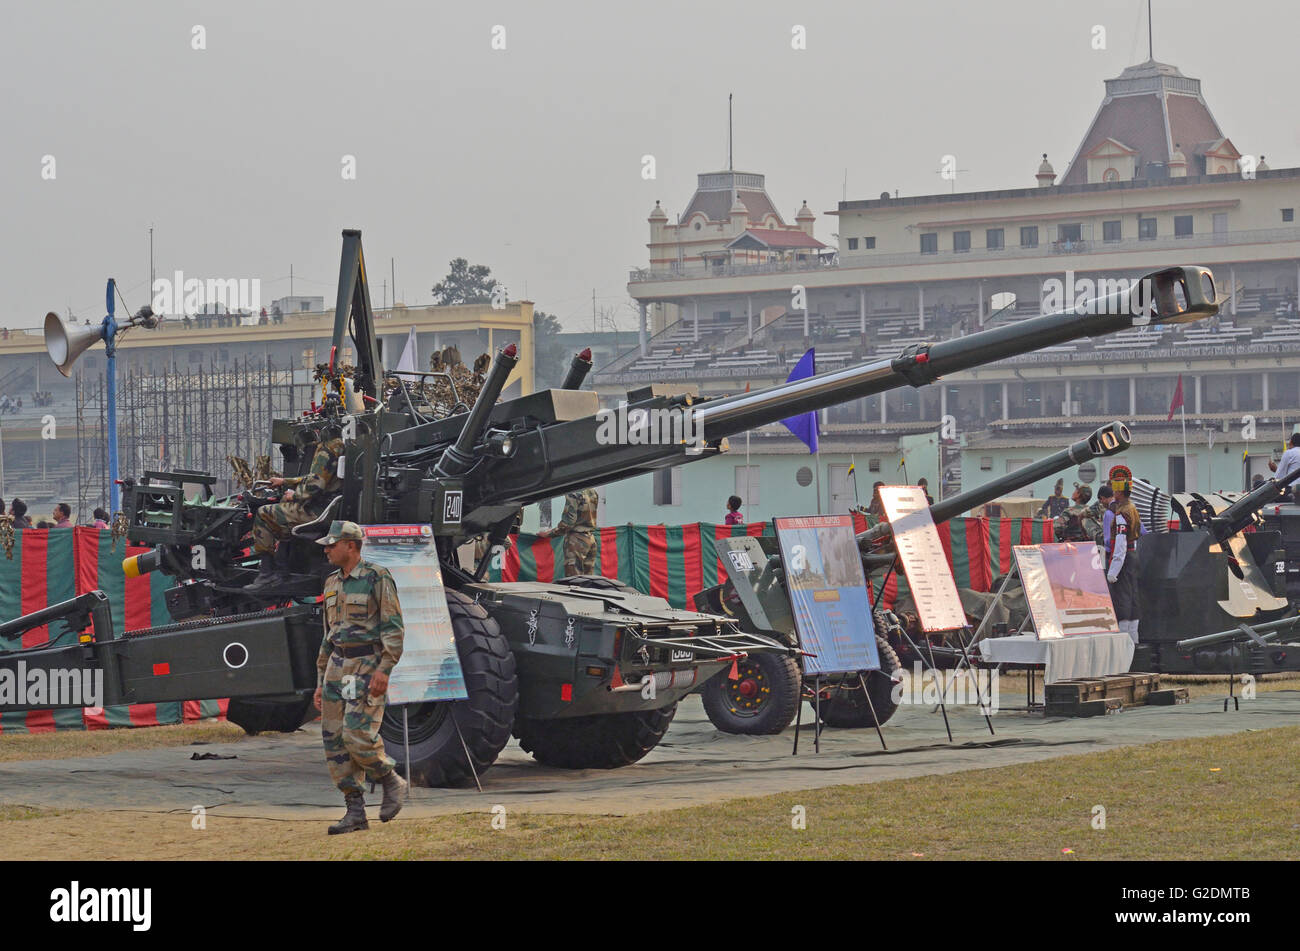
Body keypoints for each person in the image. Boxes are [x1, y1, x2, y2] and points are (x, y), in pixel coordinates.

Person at [312, 520, 406, 834]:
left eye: (332, 544)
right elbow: (329, 635)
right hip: (337, 667)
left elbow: (393, 628)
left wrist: (384, 669)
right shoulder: (330, 583)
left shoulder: (376, 577)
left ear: (351, 546)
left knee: (357, 734)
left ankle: (390, 780)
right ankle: (355, 811)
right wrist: (320, 678)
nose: (326, 549)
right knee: (335, 741)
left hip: (366, 664)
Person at [246, 431, 345, 590]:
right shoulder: (338, 446)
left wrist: (295, 495)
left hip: (317, 511)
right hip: (324, 507)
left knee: (264, 514)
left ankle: (266, 574)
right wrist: (284, 481)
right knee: (283, 506)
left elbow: (314, 486)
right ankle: (282, 567)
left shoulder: (327, 450)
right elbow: (313, 477)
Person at [1106, 469, 1141, 644]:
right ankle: (1133, 641)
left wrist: (1113, 572)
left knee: (1123, 601)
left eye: (1114, 490)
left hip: (1124, 559)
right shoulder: (1132, 508)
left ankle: (1125, 644)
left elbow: (1120, 545)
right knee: (1133, 600)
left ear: (1119, 492)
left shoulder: (1121, 514)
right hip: (1133, 556)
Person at [539, 488, 600, 576]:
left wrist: (549, 533)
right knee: (588, 581)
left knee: (574, 580)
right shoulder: (592, 491)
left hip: (576, 541)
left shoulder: (573, 492)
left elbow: (569, 521)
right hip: (590, 539)